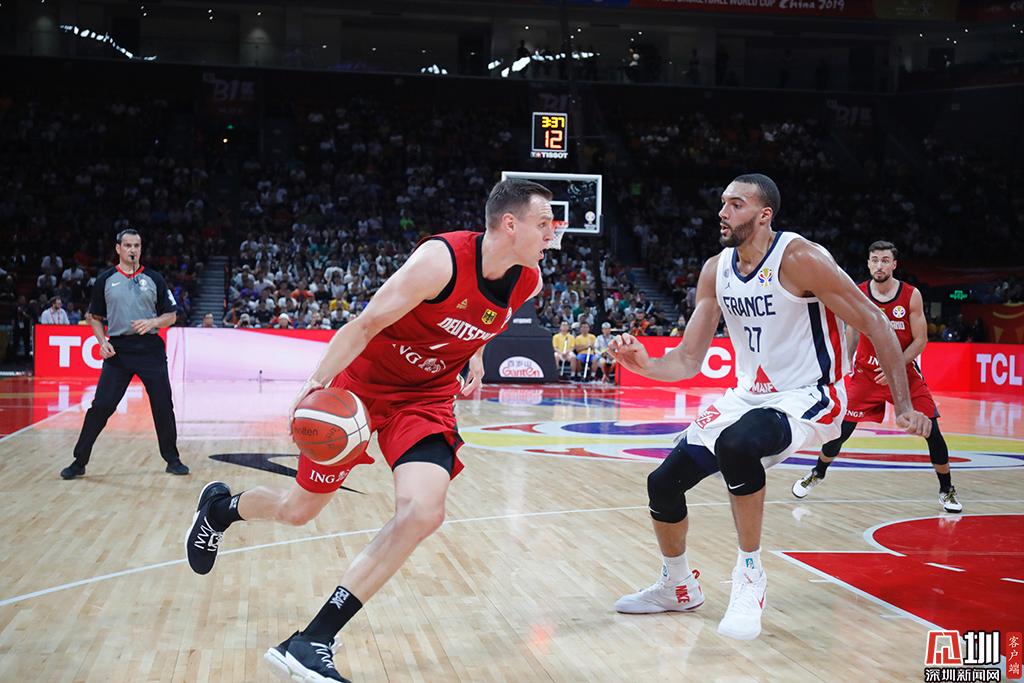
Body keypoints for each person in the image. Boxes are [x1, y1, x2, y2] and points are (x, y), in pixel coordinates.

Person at [184, 179, 553, 681]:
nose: (552, 234)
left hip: (425, 399)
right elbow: (363, 324)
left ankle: (312, 640)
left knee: (424, 512)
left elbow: (490, 316)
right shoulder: (440, 262)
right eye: (543, 223)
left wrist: (476, 354)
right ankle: (220, 510)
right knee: (297, 511)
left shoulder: (529, 280)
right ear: (510, 224)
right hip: (359, 390)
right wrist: (314, 384)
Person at [609, 174, 930, 641]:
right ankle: (678, 587)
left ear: (764, 215)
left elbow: (875, 321)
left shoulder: (801, 258)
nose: (723, 212)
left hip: (809, 394)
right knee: (662, 485)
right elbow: (687, 360)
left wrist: (902, 405)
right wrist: (643, 364)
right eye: (723, 202)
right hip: (747, 396)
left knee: (738, 445)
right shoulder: (715, 270)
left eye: (736, 204)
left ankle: (749, 576)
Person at [792, 241, 962, 513]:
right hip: (866, 376)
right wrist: (843, 367)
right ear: (868, 263)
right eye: (874, 260)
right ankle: (817, 473)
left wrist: (894, 365)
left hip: (904, 374)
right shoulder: (858, 292)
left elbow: (920, 340)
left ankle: (947, 490)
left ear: (894, 265)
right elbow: (852, 332)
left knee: (932, 430)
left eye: (885, 260)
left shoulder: (911, 295)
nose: (879, 265)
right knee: (839, 431)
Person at [60, 229, 189, 479]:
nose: (133, 250)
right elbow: (94, 317)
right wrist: (102, 342)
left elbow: (171, 316)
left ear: (141, 249)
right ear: (118, 248)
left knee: (163, 404)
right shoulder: (105, 279)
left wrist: (153, 323)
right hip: (118, 351)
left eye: (137, 246)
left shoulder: (155, 278)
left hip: (150, 349)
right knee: (101, 406)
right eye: (128, 245)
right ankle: (79, 461)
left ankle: (172, 459)